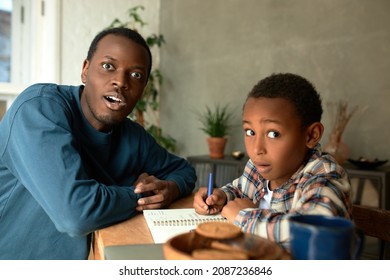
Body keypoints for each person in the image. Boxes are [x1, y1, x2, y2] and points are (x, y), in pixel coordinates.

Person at [0, 27, 196, 260]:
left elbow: (183, 171)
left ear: (142, 90)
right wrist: (140, 196)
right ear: (85, 70)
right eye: (108, 66)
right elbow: (76, 214)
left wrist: (170, 189)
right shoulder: (39, 110)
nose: (120, 82)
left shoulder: (133, 136)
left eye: (135, 75)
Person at [193, 73, 352, 249]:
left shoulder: (325, 176)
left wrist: (245, 216)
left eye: (273, 134)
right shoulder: (259, 166)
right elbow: (239, 190)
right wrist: (221, 196)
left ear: (311, 135)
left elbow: (318, 231)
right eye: (250, 132)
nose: (256, 149)